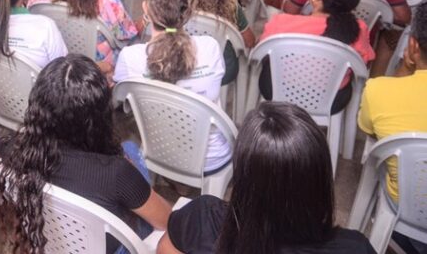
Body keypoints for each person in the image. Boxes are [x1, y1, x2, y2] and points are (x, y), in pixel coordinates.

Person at [0, 54, 172, 253]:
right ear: (100, 115)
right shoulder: (117, 173)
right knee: (131, 149)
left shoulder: (12, 149)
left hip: (50, 240)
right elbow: (167, 220)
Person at [158, 102, 376, 254]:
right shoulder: (354, 248)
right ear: (319, 177)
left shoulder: (202, 218)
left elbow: (165, 249)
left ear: (243, 175)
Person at [114, 0, 231, 173]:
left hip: (157, 150)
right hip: (210, 158)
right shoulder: (210, 47)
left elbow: (120, 102)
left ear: (145, 8)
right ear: (189, 12)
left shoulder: (130, 57)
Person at [359, 2, 427, 254]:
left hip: (406, 212)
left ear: (413, 46)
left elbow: (370, 132)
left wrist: (406, 68)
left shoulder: (379, 91)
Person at [263, 0, 375, 113]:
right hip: (331, 99)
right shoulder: (359, 29)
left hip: (278, 91)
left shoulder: (281, 22)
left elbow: (262, 54)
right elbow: (363, 64)